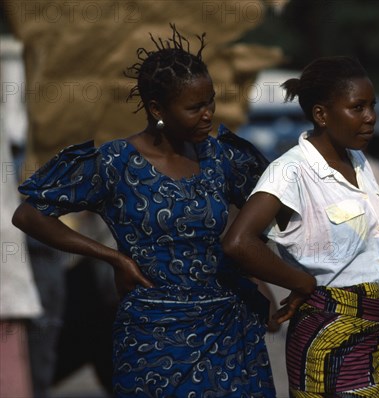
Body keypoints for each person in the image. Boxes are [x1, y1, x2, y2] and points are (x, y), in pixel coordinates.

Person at [12, 24, 275, 397]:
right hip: (153, 337)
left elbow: (262, 214)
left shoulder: (221, 156)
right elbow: (30, 215)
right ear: (157, 109)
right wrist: (112, 258)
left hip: (228, 330)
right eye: (194, 106)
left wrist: (268, 275)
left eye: (210, 102)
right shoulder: (115, 162)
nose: (208, 114)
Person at [223, 56, 379, 397]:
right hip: (332, 335)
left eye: (372, 106)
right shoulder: (290, 172)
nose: (371, 116)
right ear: (321, 115)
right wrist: (301, 281)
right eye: (357, 107)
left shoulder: (357, 159)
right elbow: (238, 242)